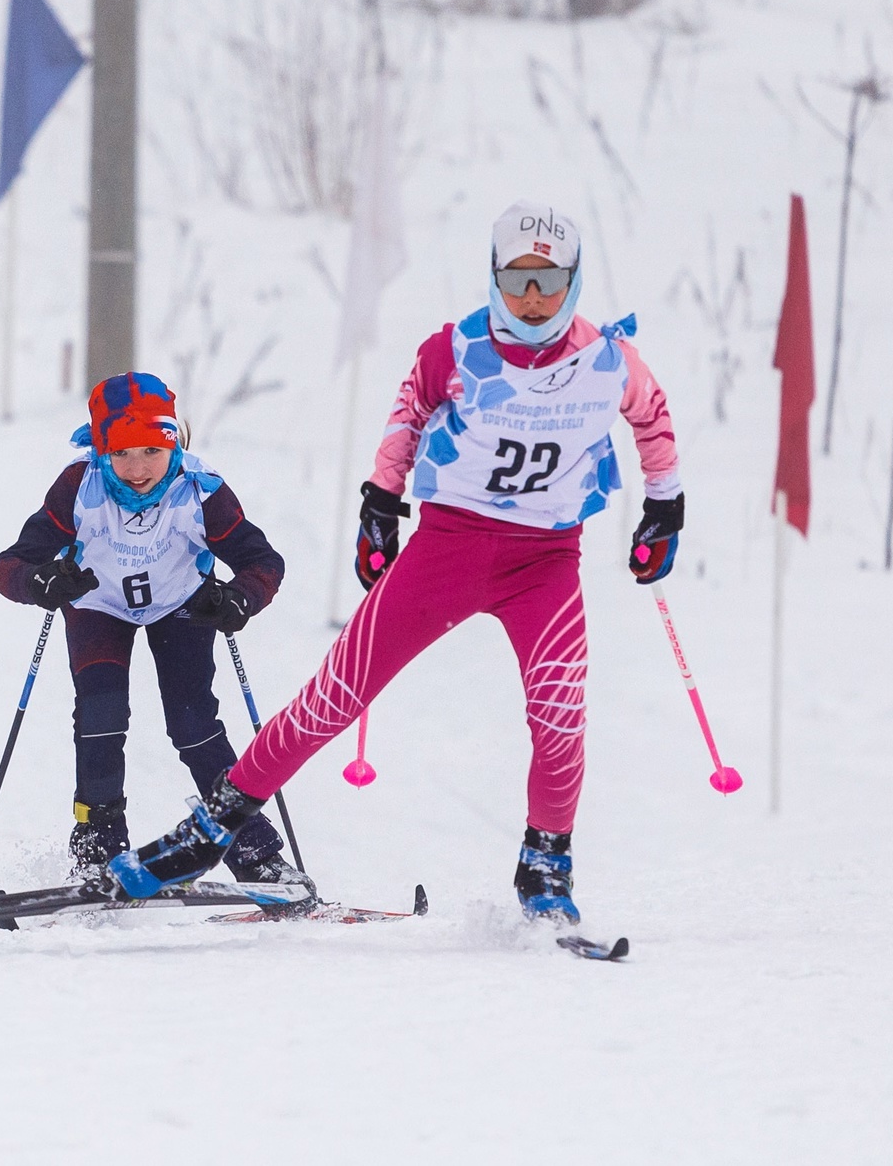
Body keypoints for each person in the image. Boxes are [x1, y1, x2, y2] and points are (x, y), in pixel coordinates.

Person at [112, 202, 687, 926]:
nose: (531, 297)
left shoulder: (606, 359)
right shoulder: (453, 350)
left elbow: (652, 416)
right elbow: (408, 415)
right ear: (494, 277)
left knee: (560, 715)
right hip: (449, 548)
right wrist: (381, 504)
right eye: (516, 278)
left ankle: (546, 863)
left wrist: (664, 505)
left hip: (545, 561)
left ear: (572, 281)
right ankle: (213, 826)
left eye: (547, 280)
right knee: (335, 696)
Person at [0, 372, 302, 890]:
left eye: (152, 451)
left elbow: (261, 560)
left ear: (174, 442)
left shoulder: (200, 490)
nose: (137, 469)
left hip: (180, 604)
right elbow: (9, 566)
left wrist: (238, 598)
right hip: (98, 604)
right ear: (101, 450)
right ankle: (98, 850)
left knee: (193, 723)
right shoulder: (78, 487)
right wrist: (39, 580)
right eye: (122, 453)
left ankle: (252, 852)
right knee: (100, 717)